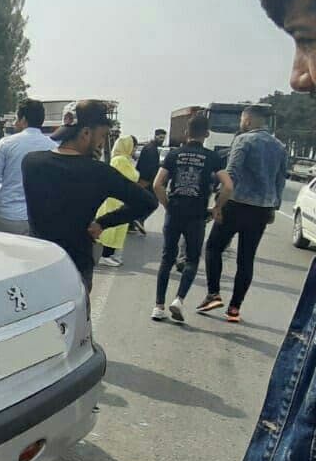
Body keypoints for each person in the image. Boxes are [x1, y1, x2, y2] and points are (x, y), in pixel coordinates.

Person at [151, 0, 316, 461]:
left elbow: (221, 186)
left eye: (307, 40)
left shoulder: (240, 145)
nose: (297, 74)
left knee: (212, 258)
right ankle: (234, 301)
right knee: (245, 264)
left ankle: (212, 294)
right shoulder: (278, 148)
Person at [21, 100, 157, 293]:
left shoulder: (30, 162)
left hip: (38, 263)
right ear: (86, 133)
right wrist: (103, 223)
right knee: (76, 320)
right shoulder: (100, 173)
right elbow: (147, 202)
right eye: (101, 136)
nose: (102, 143)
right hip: (75, 268)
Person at [196, 104, 289, 323]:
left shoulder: (243, 140)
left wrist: (218, 205)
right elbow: (280, 180)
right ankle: (234, 309)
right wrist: (273, 207)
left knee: (213, 247)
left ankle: (213, 294)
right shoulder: (279, 146)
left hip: (236, 204)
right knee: (246, 259)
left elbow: (232, 175)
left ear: (247, 121)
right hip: (261, 210)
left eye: (242, 121)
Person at [152, 115, 231, 323]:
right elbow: (228, 186)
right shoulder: (212, 158)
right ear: (206, 134)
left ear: (186, 133)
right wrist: (217, 207)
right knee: (192, 259)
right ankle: (178, 300)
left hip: (175, 212)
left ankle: (158, 306)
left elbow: (157, 184)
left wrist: (167, 205)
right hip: (196, 215)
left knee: (167, 258)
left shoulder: (174, 154)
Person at [0, 99, 57, 235]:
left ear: (23, 119)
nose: (14, 123)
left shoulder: (6, 143)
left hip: (7, 216)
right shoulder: (53, 147)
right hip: (37, 218)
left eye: (16, 118)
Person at [96, 135, 140, 268]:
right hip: (116, 200)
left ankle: (110, 255)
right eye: (134, 147)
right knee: (113, 227)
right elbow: (131, 176)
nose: (134, 150)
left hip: (120, 199)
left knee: (118, 227)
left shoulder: (124, 159)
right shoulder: (121, 160)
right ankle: (105, 256)